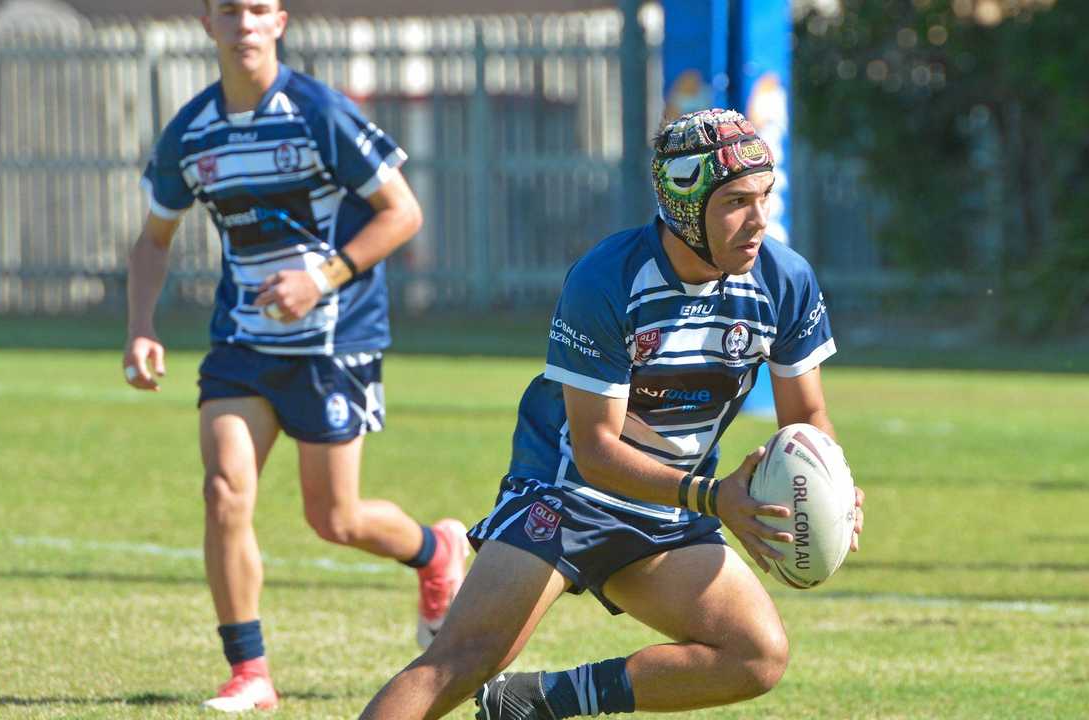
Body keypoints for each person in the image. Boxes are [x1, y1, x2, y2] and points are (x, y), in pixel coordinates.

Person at [356, 108, 866, 720]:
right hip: (566, 494)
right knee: (460, 661)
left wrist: (832, 481)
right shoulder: (608, 279)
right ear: (685, 207)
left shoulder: (784, 281)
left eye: (765, 196)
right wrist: (713, 497)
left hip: (669, 508)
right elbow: (595, 451)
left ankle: (537, 702)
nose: (759, 220)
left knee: (755, 656)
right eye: (735, 202)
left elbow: (808, 414)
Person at [122, 0, 468, 711]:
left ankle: (436, 552)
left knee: (333, 518)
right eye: (229, 11)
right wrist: (140, 326)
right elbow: (153, 241)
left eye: (257, 10)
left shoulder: (319, 112)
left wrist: (320, 278)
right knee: (224, 492)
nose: (243, 23)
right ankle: (250, 673)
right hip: (242, 344)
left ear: (279, 21)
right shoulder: (191, 132)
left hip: (334, 341)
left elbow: (402, 212)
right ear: (206, 24)